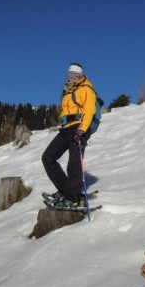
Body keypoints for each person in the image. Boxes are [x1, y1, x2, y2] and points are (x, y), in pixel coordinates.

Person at [41, 62, 97, 209]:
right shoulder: (67, 91)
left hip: (79, 128)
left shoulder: (86, 90)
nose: (72, 77)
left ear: (81, 75)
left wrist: (82, 130)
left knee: (74, 164)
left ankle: (74, 198)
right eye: (70, 74)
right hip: (66, 128)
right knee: (48, 157)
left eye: (75, 74)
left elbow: (89, 111)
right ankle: (67, 190)